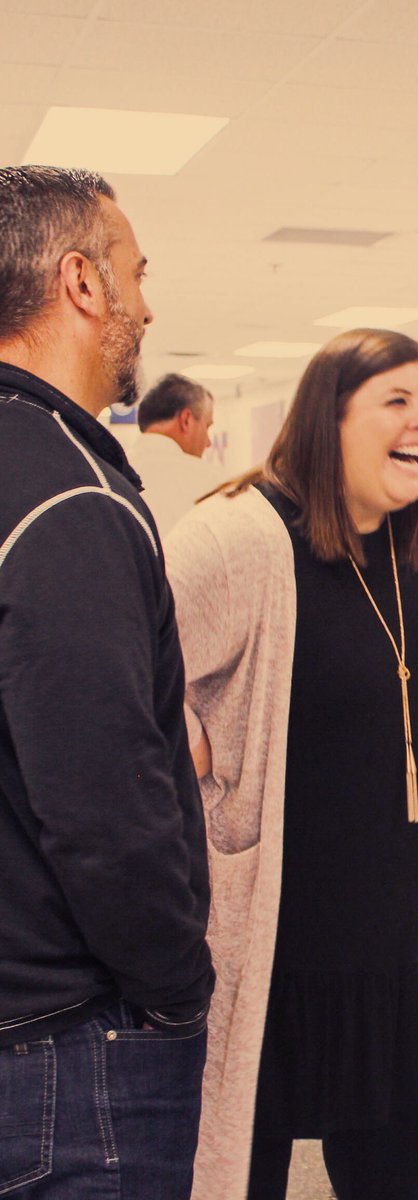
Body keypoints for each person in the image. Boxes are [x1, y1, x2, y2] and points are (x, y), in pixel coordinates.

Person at [165, 329, 418, 1200]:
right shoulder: (240, 536)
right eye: (396, 401)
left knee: (388, 1177)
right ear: (326, 419)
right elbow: (121, 676)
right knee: (242, 1170)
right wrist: (202, 746)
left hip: (398, 940)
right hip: (278, 948)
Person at [0, 164, 213, 1197]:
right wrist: (175, 987)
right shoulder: (69, 494)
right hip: (71, 1053)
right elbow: (104, 804)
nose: (148, 306)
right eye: (137, 272)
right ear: (81, 282)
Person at [127, 371, 221, 537]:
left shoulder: (110, 472)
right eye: (207, 426)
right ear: (186, 420)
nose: (208, 443)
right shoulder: (210, 481)